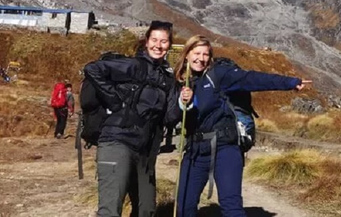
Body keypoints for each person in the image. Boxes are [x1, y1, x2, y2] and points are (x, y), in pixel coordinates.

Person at [174, 35, 311, 217]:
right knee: (184, 206)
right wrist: (184, 103)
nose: (201, 58)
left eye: (206, 54)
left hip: (224, 147)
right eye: (197, 53)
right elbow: (171, 115)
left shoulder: (219, 75)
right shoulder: (180, 81)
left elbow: (251, 79)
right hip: (195, 150)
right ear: (187, 55)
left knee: (231, 207)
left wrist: (290, 82)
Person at [84, 20, 191, 217]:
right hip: (117, 142)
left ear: (169, 45)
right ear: (146, 41)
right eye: (154, 40)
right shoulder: (132, 65)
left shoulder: (167, 79)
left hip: (145, 151)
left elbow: (168, 118)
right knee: (110, 210)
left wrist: (182, 102)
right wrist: (114, 102)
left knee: (147, 210)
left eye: (164, 41)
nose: (158, 45)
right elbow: (93, 69)